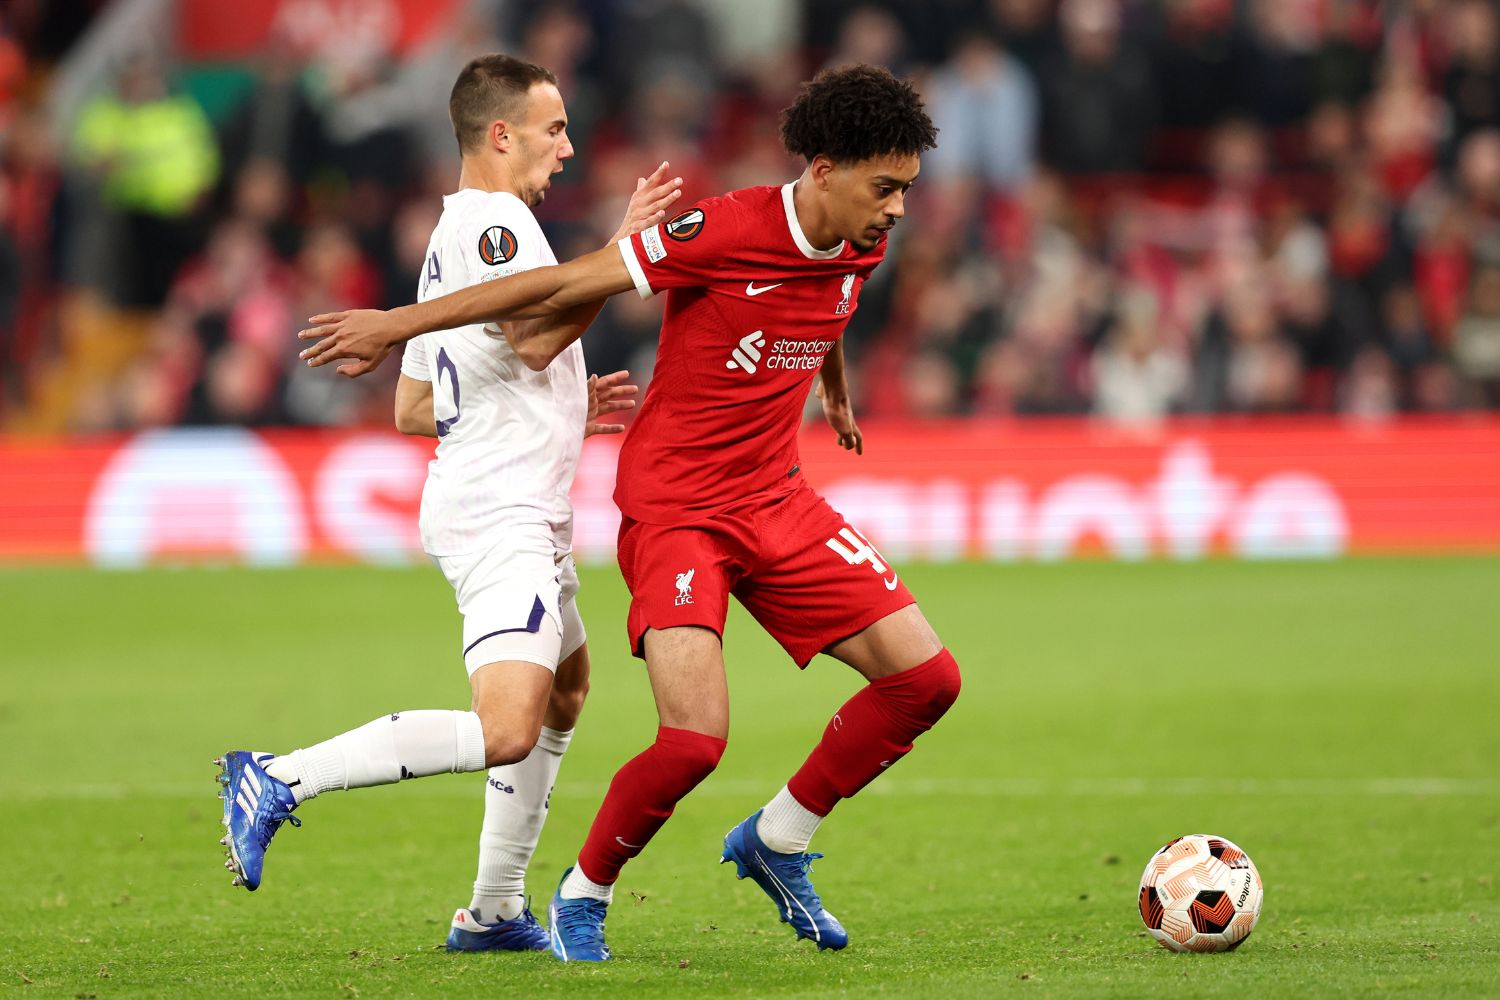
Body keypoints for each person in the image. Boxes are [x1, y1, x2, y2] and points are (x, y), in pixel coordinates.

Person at [296, 64, 962, 963]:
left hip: (777, 496)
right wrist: (397, 325)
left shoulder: (862, 238)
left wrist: (832, 393)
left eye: (907, 190)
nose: (899, 210)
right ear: (824, 170)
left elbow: (828, 302)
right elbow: (552, 290)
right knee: (694, 742)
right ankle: (583, 889)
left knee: (927, 682)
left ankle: (778, 839)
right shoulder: (724, 228)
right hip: (679, 507)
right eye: (886, 189)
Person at [215, 54, 680, 955]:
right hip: (499, 509)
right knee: (510, 726)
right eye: (554, 129)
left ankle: (498, 910)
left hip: (509, 495)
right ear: (501, 135)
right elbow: (538, 335)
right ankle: (275, 777)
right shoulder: (499, 223)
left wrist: (561, 418)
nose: (568, 147)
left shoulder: (448, 239)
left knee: (567, 691)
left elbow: (416, 405)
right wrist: (625, 255)